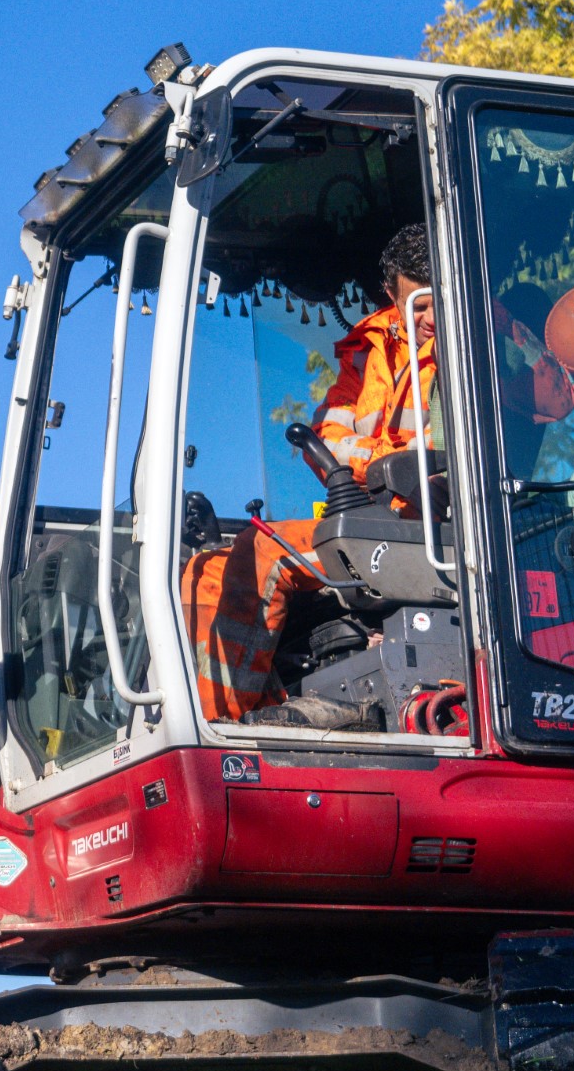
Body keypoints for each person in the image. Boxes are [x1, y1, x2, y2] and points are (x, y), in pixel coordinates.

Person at [183, 222, 441, 730]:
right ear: (391, 294)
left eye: (438, 301)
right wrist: (376, 461)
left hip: (427, 531)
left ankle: (218, 731)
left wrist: (373, 461)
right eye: (418, 305)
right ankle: (248, 707)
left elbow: (439, 456)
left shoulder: (476, 349)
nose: (431, 318)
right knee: (206, 567)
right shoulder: (369, 351)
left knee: (268, 551)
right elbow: (329, 438)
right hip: (377, 521)